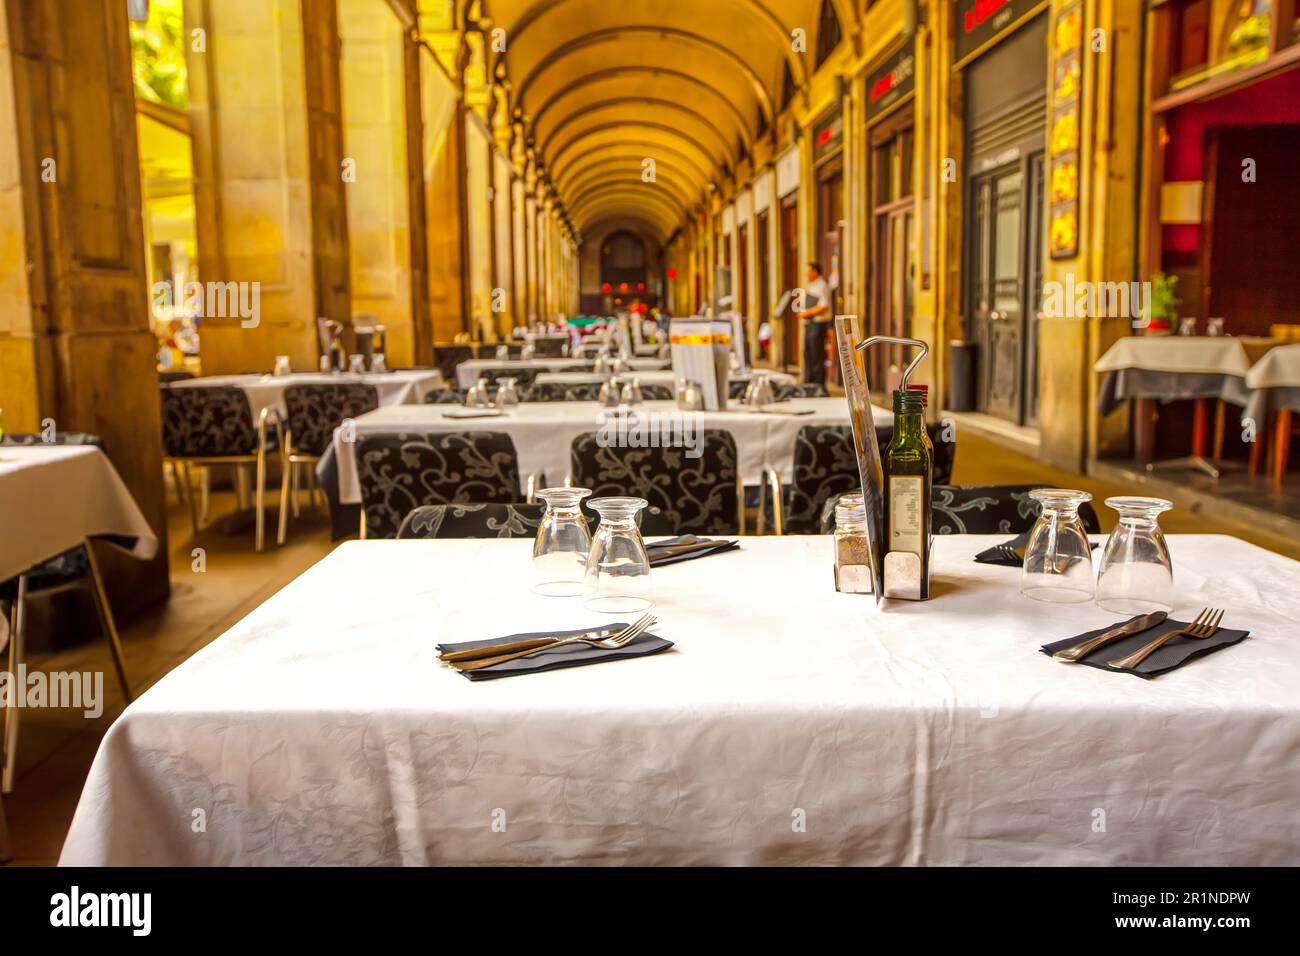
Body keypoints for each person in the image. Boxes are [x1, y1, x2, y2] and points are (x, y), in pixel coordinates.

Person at [796, 262, 833, 385]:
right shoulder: (811, 285)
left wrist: (808, 313)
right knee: (808, 354)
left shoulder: (822, 286)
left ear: (815, 271)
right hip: (809, 324)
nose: (806, 273)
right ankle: (809, 381)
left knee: (817, 355)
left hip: (817, 325)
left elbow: (824, 306)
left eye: (808, 271)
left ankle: (818, 383)